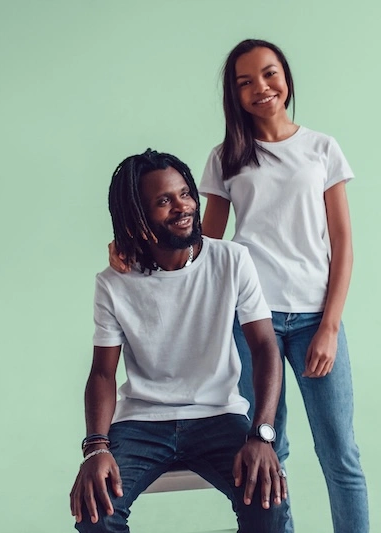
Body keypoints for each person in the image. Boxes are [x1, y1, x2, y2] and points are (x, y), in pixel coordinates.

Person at [109, 39, 369, 533]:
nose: (261, 88)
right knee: (269, 447)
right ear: (234, 95)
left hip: (316, 317)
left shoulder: (321, 149)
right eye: (245, 82)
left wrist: (331, 325)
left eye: (269, 74)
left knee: (340, 452)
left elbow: (343, 245)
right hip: (252, 322)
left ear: (286, 77)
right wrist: (129, 246)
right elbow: (200, 242)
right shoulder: (226, 157)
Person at [70, 148, 289, 533]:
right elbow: (103, 374)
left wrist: (262, 434)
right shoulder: (112, 282)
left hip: (219, 415)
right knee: (96, 514)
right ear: (137, 215)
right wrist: (96, 447)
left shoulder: (232, 260)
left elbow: (265, 347)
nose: (183, 206)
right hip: (142, 421)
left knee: (269, 506)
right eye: (163, 201)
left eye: (186, 193)